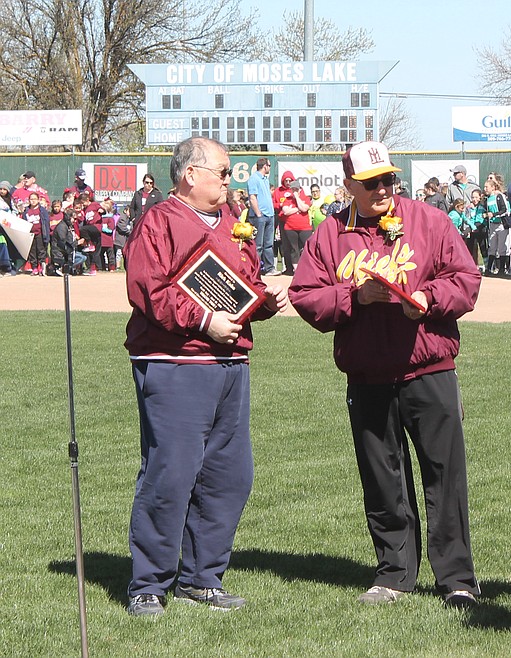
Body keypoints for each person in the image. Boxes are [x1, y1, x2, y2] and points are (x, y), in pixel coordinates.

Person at [289, 140, 481, 609]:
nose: (382, 189)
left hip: (428, 368)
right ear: (349, 185)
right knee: (382, 479)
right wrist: (353, 297)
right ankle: (394, 574)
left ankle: (456, 579)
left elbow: (466, 279)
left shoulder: (429, 220)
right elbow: (305, 296)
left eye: (388, 179)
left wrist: (429, 299)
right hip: (368, 374)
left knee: (444, 476)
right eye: (371, 182)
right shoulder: (330, 233)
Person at [124, 136, 287, 617]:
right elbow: (148, 289)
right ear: (190, 174)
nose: (229, 178)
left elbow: (242, 284)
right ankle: (149, 583)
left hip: (231, 362)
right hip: (176, 362)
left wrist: (263, 300)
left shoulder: (236, 223)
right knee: (171, 472)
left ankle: (203, 577)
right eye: (222, 170)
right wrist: (202, 320)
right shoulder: (158, 221)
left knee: (229, 476)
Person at [246, 157, 279, 276]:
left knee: (269, 244)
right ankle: (255, 270)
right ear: (265, 166)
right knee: (258, 245)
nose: (269, 168)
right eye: (269, 166)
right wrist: (258, 214)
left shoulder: (265, 179)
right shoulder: (253, 179)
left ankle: (269, 268)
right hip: (260, 216)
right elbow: (252, 197)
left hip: (270, 215)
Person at [275, 174, 312, 273]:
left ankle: (308, 269)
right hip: (290, 228)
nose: (294, 191)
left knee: (307, 247)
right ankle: (296, 271)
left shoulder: (305, 198)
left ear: (300, 189)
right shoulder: (288, 200)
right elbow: (286, 211)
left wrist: (297, 198)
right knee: (293, 249)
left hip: (305, 228)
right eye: (293, 189)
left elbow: (304, 208)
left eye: (296, 189)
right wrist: (297, 209)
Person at [483, 178, 511, 276]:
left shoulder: (499, 196)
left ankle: (502, 269)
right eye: (484, 187)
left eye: (487, 187)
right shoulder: (487, 199)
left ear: (493, 187)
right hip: (493, 225)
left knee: (502, 247)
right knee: (492, 247)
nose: (485, 188)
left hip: (502, 225)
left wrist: (494, 214)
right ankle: (489, 269)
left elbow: (505, 210)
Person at [50, 209, 87, 275]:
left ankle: (67, 268)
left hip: (68, 252)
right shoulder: (62, 227)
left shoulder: (68, 226)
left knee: (83, 256)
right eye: (74, 219)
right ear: (68, 217)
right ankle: (62, 267)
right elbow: (63, 243)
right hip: (60, 253)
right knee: (81, 257)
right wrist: (77, 243)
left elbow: (70, 240)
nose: (75, 221)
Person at [23, 191, 50, 276]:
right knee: (32, 251)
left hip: (40, 233)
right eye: (31, 199)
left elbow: (46, 223)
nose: (33, 201)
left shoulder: (42, 210)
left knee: (41, 250)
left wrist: (46, 235)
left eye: (35, 199)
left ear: (38, 200)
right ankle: (34, 267)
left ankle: (41, 267)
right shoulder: (26, 211)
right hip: (31, 234)